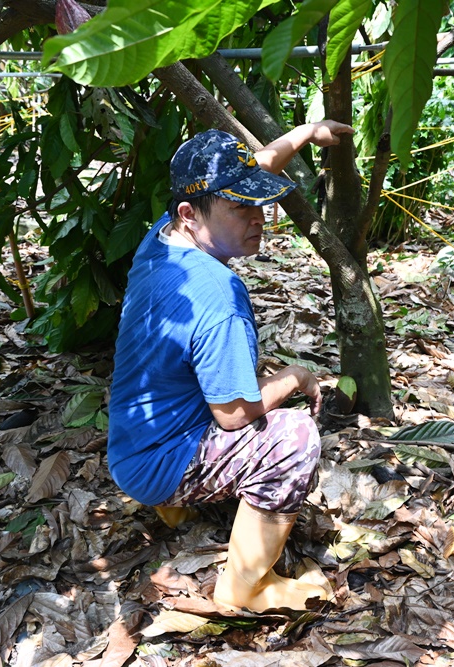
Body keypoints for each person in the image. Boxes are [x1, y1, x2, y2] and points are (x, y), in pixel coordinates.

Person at [106, 121, 354, 613]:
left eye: (258, 202)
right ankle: (246, 586)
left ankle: (176, 508)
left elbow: (251, 170)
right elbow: (235, 415)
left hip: (132, 440)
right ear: (191, 214)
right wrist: (297, 376)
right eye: (241, 207)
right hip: (160, 461)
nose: (258, 216)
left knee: (217, 366)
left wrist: (306, 133)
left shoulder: (164, 238)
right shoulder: (218, 293)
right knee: (294, 436)